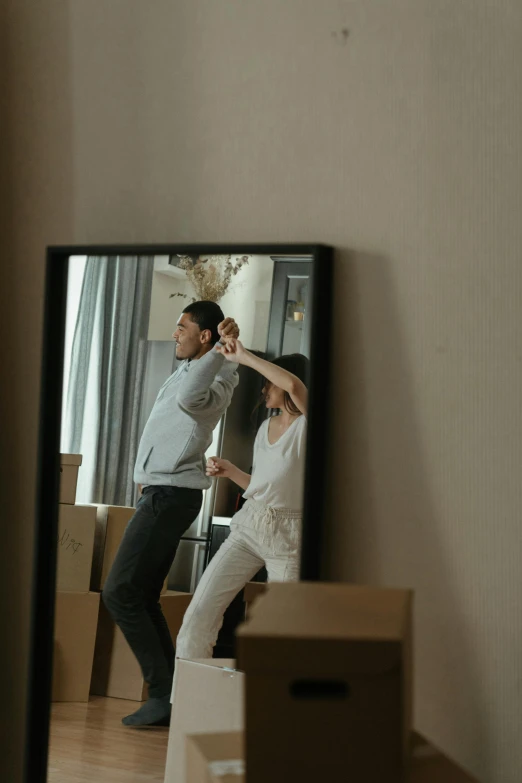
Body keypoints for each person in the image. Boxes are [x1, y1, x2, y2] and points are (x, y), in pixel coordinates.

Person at [102, 301, 240, 727]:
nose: (174, 333)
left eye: (182, 327)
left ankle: (163, 693)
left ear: (205, 336)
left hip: (170, 495)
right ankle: (170, 694)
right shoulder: (191, 367)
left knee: (119, 591)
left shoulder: (212, 380)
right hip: (160, 492)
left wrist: (220, 351)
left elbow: (187, 399)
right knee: (141, 595)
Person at [175, 337, 308, 661]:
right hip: (250, 525)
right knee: (199, 614)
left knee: (281, 633)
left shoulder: (308, 424)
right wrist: (231, 471)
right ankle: (188, 703)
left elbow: (292, 383)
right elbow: (265, 486)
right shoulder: (265, 427)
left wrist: (244, 356)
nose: (264, 391)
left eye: (268, 384)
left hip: (289, 538)